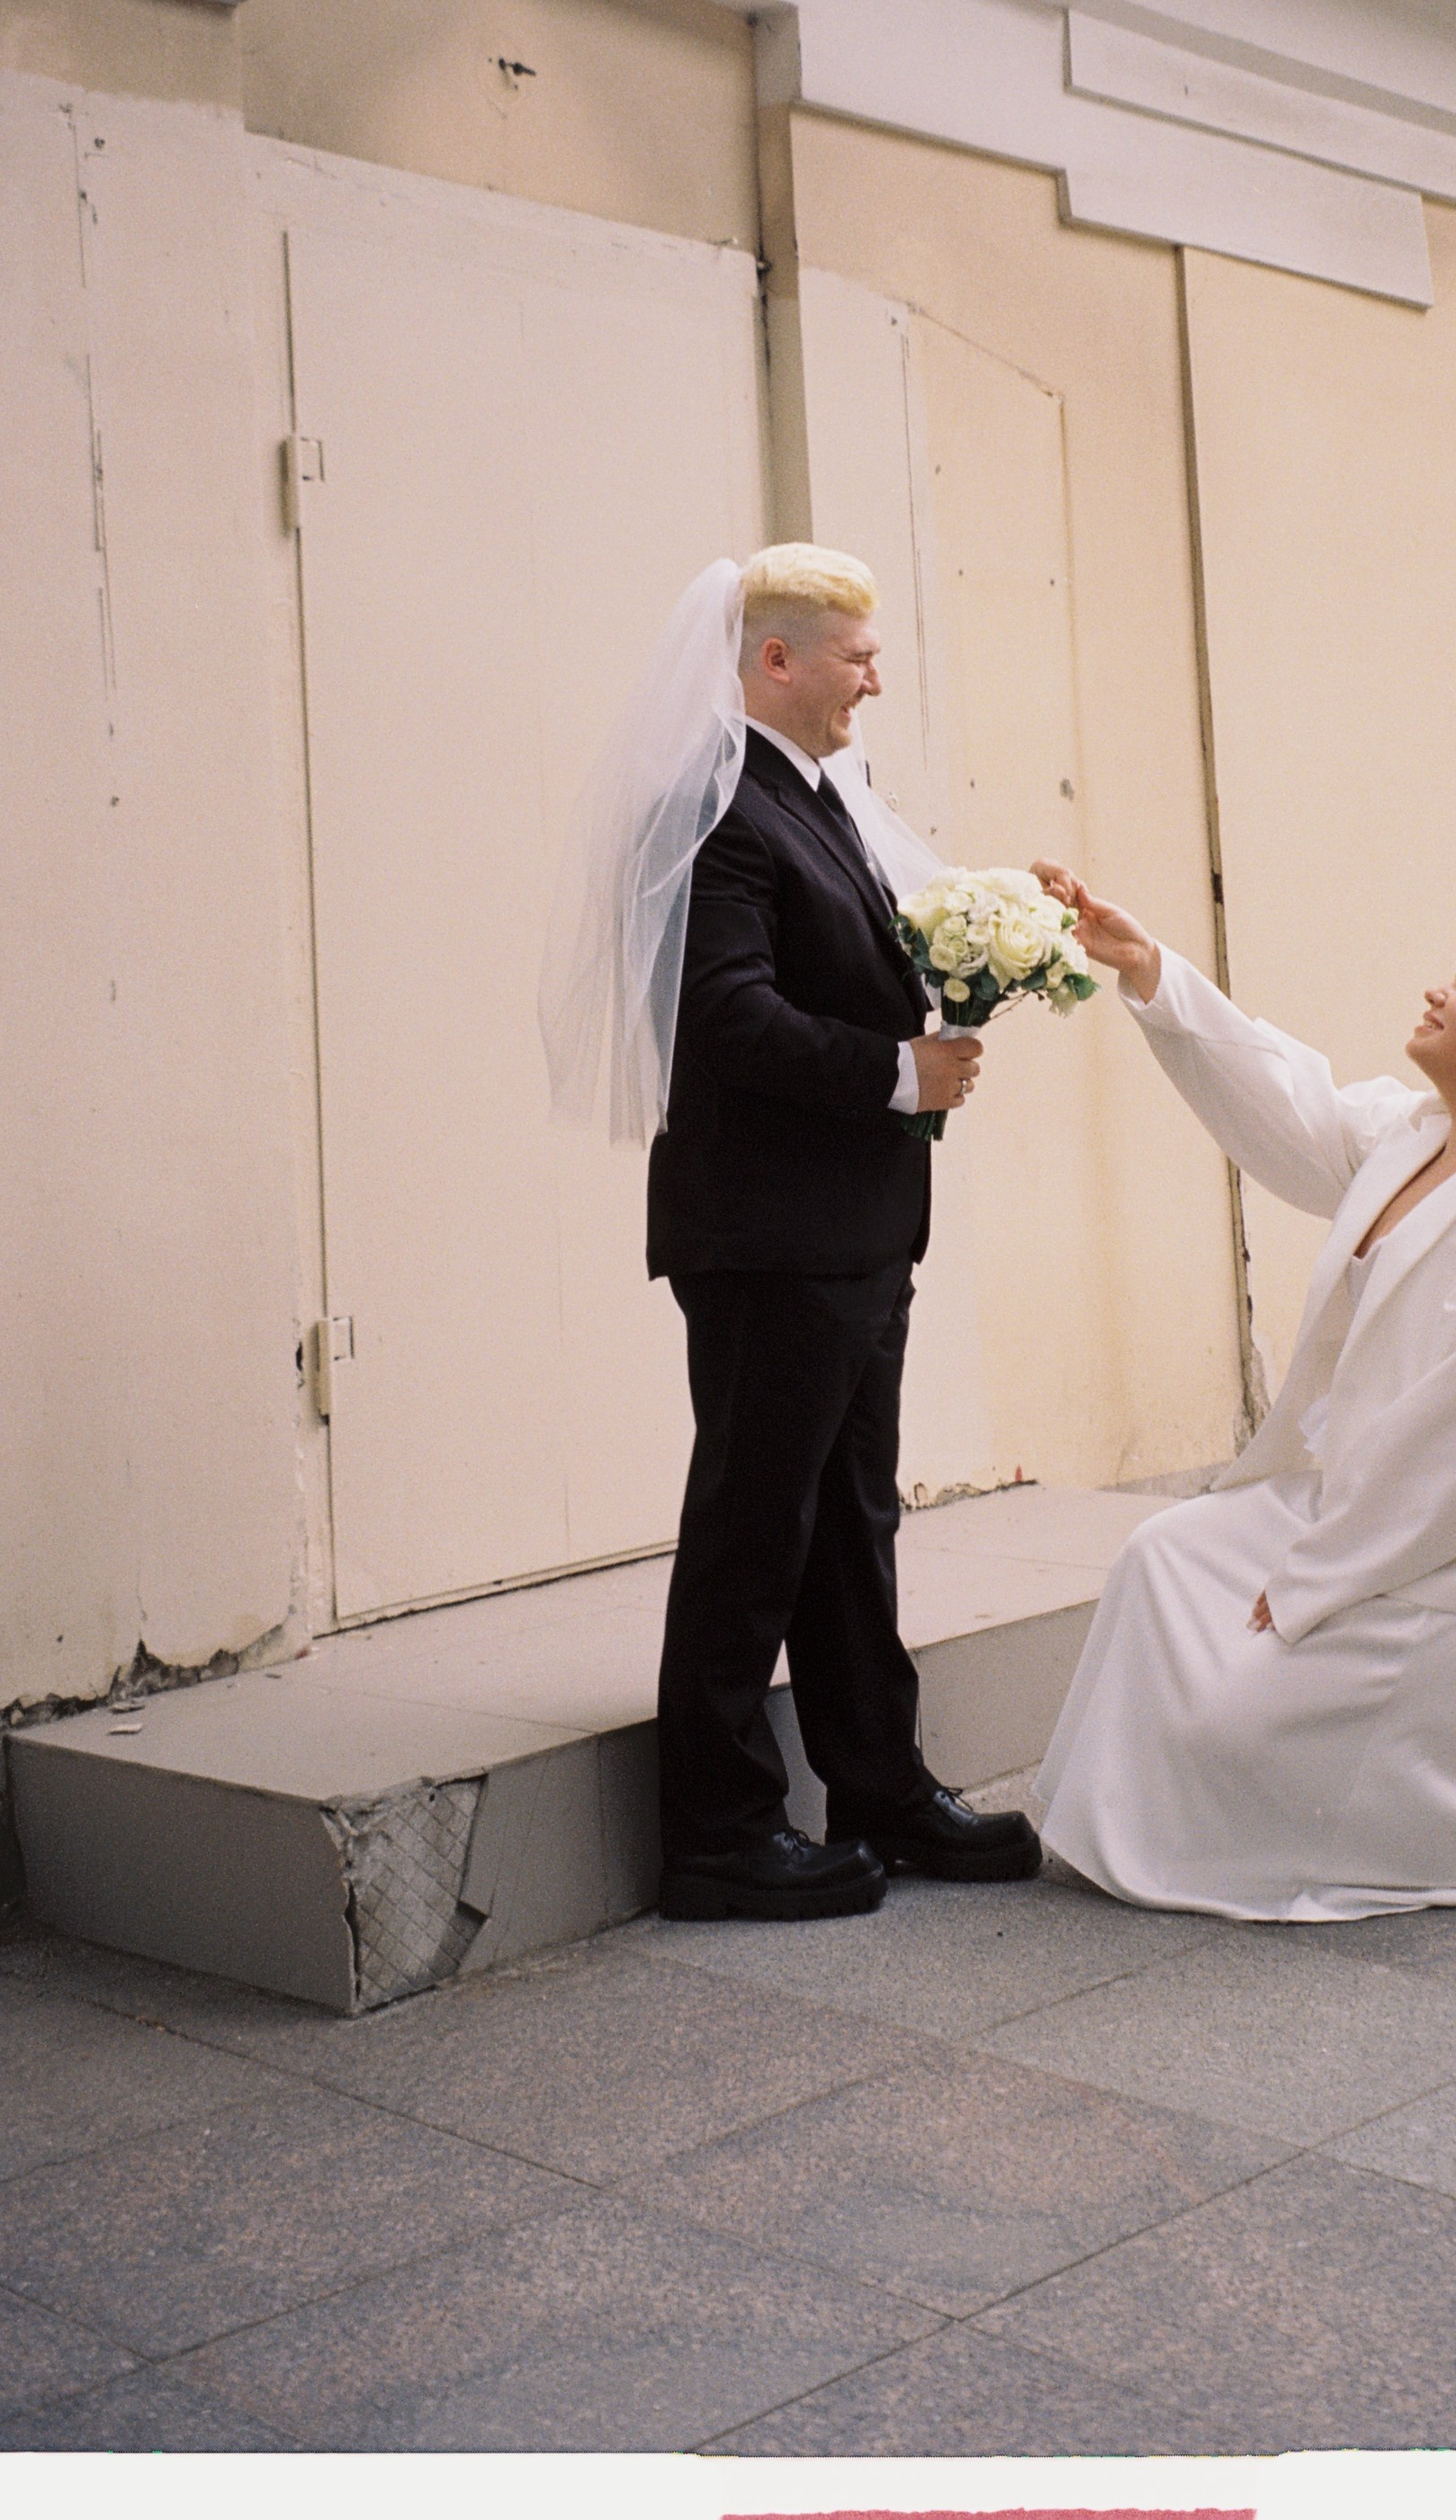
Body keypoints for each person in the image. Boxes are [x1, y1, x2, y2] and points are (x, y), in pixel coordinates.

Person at [549, 543, 1041, 1923]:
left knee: (851, 1526)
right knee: (754, 1530)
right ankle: (717, 1833)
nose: (874, 678)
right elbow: (724, 1015)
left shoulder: (827, 798)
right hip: (768, 1236)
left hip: (857, 1229)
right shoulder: (713, 812)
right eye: (855, 655)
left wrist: (991, 961)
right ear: (775, 660)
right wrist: (895, 1072)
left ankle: (878, 1785)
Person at [1026, 867, 1456, 1924]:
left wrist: (1319, 1573)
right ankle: (1102, 1828)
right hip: (1370, 1493)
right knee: (1163, 1556)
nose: (1438, 990)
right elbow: (1285, 1098)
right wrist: (1148, 969)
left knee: (1240, 1714)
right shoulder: (1412, 1135)